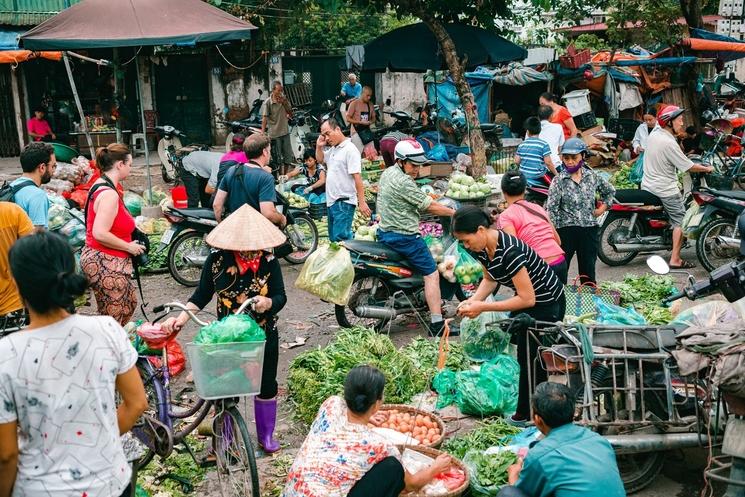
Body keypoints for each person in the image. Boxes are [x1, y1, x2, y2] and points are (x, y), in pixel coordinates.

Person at [0, 231, 147, 497]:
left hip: (41, 489)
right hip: (110, 483)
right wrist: (94, 442)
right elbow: (137, 403)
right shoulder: (106, 330)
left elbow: (7, 454)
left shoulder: (7, 354)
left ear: (18, 283)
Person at [161, 204, 287, 453]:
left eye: (255, 246)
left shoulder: (270, 262)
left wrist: (269, 303)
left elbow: (281, 296)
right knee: (225, 387)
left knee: (266, 384)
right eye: (245, 247)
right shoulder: (217, 262)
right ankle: (226, 438)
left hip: (262, 336)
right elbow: (201, 295)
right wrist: (181, 319)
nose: (251, 251)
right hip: (226, 338)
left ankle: (266, 436)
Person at [453, 206, 564, 426]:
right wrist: (475, 300)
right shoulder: (482, 249)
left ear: (481, 230)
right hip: (529, 301)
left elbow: (527, 299)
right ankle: (531, 411)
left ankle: (531, 415)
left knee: (532, 358)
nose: (466, 246)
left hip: (548, 302)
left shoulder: (510, 251)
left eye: (466, 240)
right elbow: (490, 279)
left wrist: (482, 308)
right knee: (525, 354)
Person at [282, 365, 453, 497]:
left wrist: (367, 416)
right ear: (377, 403)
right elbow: (412, 484)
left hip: (293, 491)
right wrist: (435, 468)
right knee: (393, 468)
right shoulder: (378, 445)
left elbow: (344, 406)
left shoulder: (330, 405)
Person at [377, 140, 456, 336]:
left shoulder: (389, 173)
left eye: (419, 165)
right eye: (413, 165)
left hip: (385, 231)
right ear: (401, 161)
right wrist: (454, 213)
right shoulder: (403, 181)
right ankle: (437, 324)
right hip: (404, 236)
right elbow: (428, 206)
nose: (417, 169)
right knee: (432, 273)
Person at [497, 382, 625, 497]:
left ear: (538, 420)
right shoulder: (599, 441)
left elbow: (523, 490)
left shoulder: (539, 455)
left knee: (508, 493)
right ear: (573, 412)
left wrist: (514, 474)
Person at [642, 106, 713, 269]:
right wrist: (707, 169)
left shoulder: (655, 134)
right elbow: (687, 166)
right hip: (664, 189)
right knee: (681, 220)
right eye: (678, 119)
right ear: (668, 122)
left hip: (648, 184)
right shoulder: (668, 142)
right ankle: (675, 258)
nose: (682, 122)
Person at [80, 143, 143, 326]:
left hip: (106, 259)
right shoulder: (109, 194)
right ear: (120, 165)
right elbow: (100, 232)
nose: (130, 169)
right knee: (112, 320)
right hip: (105, 261)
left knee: (129, 303)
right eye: (129, 164)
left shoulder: (101, 184)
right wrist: (129, 247)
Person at [545, 138, 615, 285]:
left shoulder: (592, 177)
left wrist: (601, 209)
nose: (570, 162)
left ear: (583, 156)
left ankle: (587, 301)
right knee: (561, 271)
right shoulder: (558, 181)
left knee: (588, 271)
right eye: (566, 158)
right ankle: (561, 303)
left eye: (574, 158)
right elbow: (551, 210)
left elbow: (610, 191)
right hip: (565, 231)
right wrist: (554, 235)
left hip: (589, 230)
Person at [498, 171, 566, 284]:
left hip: (538, 268)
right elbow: (557, 241)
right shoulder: (537, 208)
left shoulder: (505, 217)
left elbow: (513, 252)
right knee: (559, 301)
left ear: (503, 191)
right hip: (559, 262)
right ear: (525, 189)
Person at [213, 133, 286, 226]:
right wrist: (282, 218)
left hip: (234, 229)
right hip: (254, 232)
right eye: (269, 151)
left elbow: (217, 205)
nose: (270, 154)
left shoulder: (231, 170)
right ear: (264, 152)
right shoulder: (266, 177)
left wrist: (222, 225)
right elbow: (268, 213)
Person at [316, 118, 371, 241]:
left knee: (341, 240)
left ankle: (349, 259)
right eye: (324, 135)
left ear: (337, 129)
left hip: (344, 202)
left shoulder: (350, 149)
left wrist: (361, 202)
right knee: (334, 239)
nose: (327, 138)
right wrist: (319, 146)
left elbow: (357, 178)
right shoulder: (334, 149)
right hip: (332, 202)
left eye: (328, 133)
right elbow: (320, 159)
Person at [0, 203, 33, 329]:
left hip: (12, 300)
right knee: (14, 347)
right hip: (12, 302)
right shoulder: (12, 211)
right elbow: (34, 252)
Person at [10, 142, 56, 228]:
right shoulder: (37, 195)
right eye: (53, 166)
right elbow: (37, 237)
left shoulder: (12, 186)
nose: (54, 171)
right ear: (42, 167)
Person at [261, 81, 294, 176]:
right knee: (278, 158)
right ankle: (280, 176)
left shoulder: (284, 100)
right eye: (279, 90)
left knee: (288, 157)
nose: (280, 92)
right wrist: (262, 133)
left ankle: (285, 174)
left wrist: (284, 102)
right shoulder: (268, 102)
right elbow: (264, 118)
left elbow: (290, 113)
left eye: (281, 90)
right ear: (273, 90)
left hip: (285, 132)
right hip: (274, 134)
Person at [515, 117, 556, 186]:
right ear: (540, 130)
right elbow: (548, 163)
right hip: (538, 178)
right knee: (553, 187)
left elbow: (516, 161)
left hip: (523, 177)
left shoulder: (522, 144)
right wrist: (556, 174)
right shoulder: (544, 144)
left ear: (527, 131)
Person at [537, 105, 564, 170]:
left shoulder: (531, 130)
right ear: (551, 115)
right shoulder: (558, 127)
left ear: (538, 117)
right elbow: (560, 148)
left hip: (538, 168)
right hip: (555, 164)